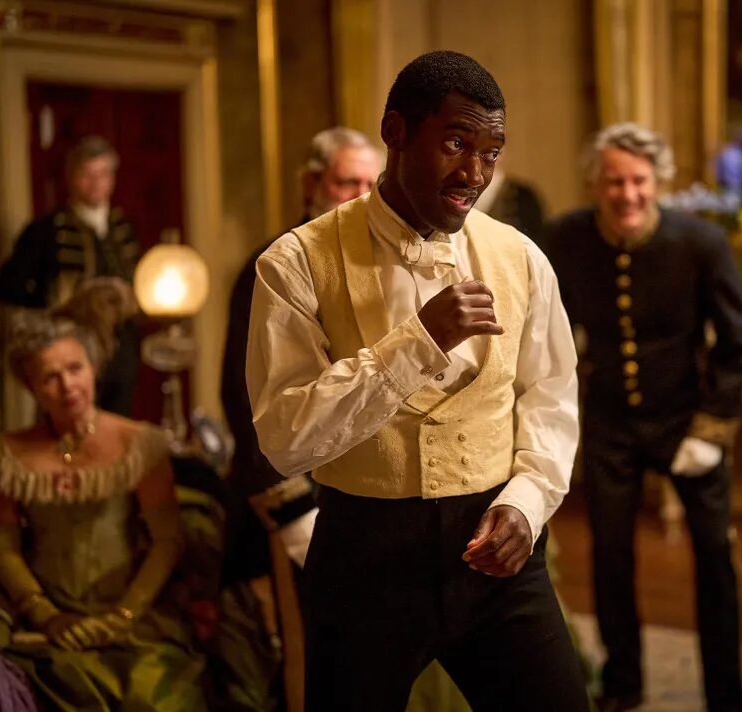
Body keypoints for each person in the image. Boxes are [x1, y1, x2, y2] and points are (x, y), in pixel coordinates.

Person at [246, 50, 588, 710]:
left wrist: (527, 501)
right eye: (456, 143)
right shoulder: (294, 263)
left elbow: (551, 397)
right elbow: (284, 439)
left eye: (491, 153)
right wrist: (418, 343)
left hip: (496, 552)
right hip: (363, 559)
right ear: (395, 131)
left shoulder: (521, 257)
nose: (474, 174)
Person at [544, 123, 742, 712]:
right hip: (609, 421)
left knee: (714, 557)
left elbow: (736, 343)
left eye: (639, 181)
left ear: (657, 181)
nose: (628, 194)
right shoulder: (564, 238)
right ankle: (623, 684)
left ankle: (727, 696)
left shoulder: (701, 242)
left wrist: (712, 428)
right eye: (615, 182)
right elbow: (545, 330)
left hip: (687, 418)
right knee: (610, 555)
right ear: (595, 183)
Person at [0, 280, 206, 710]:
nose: (68, 386)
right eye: (50, 377)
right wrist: (45, 614)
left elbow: (167, 541)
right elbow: (4, 546)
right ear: (31, 387)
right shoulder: (11, 452)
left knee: (151, 697)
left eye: (75, 368)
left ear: (93, 368)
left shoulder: (138, 443)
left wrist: (122, 617)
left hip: (132, 617)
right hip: (46, 620)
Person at [220, 126, 381, 587]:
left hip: (360, 498)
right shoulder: (274, 266)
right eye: (346, 182)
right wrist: (294, 512)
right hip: (290, 506)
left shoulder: (377, 263)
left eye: (371, 185)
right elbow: (245, 399)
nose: (361, 197)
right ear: (311, 185)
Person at [0, 136, 142, 417]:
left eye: (103, 174)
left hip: (121, 348)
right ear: (71, 177)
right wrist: (51, 309)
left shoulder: (123, 226)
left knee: (117, 423)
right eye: (87, 174)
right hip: (70, 345)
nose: (96, 183)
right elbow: (6, 286)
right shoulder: (46, 230)